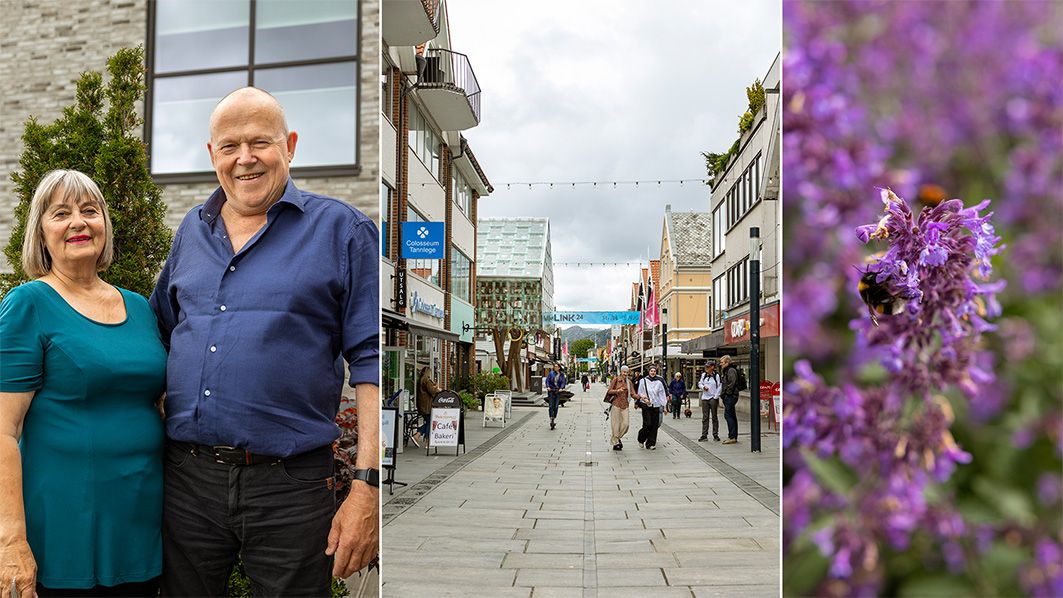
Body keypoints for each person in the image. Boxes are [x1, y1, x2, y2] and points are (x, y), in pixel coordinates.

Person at [149, 87, 379, 596]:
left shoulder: (342, 230)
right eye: (229, 146)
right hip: (188, 481)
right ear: (212, 155)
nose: (245, 158)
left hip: (291, 487)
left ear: (290, 146)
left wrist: (367, 486)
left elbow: (371, 361)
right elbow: (159, 330)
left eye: (260, 142)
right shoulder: (191, 230)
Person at [1, 170, 166, 596]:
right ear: (41, 233)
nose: (78, 222)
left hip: (141, 517)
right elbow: (4, 430)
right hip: (62, 526)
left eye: (89, 211)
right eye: (61, 213)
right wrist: (10, 541)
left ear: (105, 226)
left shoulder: (140, 306)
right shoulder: (28, 304)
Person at [636, 366, 668, 449]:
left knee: (654, 425)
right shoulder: (643, 381)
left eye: (654, 371)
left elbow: (662, 394)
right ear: (648, 372)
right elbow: (640, 392)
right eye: (651, 371)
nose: (653, 372)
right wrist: (645, 399)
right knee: (647, 424)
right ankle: (641, 438)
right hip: (646, 405)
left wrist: (664, 405)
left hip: (656, 405)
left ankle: (650, 443)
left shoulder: (659, 381)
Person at [603, 365, 633, 450]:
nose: (625, 374)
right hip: (616, 404)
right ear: (621, 372)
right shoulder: (616, 380)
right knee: (615, 425)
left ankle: (616, 438)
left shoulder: (629, 382)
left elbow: (633, 393)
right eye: (624, 372)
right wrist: (617, 391)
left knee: (626, 424)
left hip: (625, 405)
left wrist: (640, 398)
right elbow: (609, 391)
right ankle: (616, 441)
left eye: (627, 372)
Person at [413, 366, 440, 446]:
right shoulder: (427, 380)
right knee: (430, 422)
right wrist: (437, 390)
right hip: (427, 406)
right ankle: (420, 436)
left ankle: (422, 437)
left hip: (421, 405)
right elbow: (432, 391)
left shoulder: (420, 380)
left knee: (428, 422)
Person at [698, 361, 722, 442]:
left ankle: (715, 434)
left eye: (708, 367)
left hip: (713, 398)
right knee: (705, 417)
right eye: (706, 367)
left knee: (714, 416)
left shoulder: (717, 376)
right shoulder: (704, 375)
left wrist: (716, 397)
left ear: (712, 367)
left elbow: (719, 386)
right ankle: (704, 435)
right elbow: (699, 383)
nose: (706, 368)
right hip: (705, 398)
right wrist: (703, 387)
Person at [720, 355, 740, 444]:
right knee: (732, 415)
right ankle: (733, 436)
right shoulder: (727, 370)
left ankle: (732, 437)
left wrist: (726, 393)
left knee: (728, 415)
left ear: (727, 362)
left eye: (722, 362)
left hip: (731, 396)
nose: (720, 364)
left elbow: (732, 383)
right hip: (730, 396)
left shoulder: (731, 370)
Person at [545, 363, 567, 430]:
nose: (555, 367)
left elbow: (563, 382)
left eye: (557, 366)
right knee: (551, 405)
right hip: (551, 391)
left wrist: (561, 388)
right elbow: (547, 381)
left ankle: (554, 417)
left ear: (559, 368)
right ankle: (551, 417)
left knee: (556, 406)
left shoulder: (561, 375)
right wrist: (548, 387)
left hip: (558, 391)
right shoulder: (551, 373)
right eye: (554, 367)